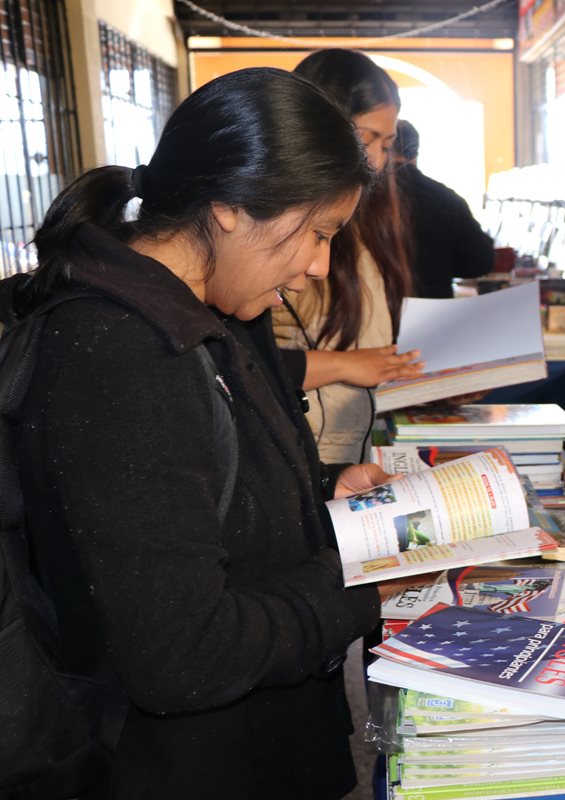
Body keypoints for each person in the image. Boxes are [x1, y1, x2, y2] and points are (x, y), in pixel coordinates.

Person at [12, 67, 406, 799]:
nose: (316, 267)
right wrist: (366, 580)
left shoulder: (215, 309)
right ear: (229, 205)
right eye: (316, 233)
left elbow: (193, 501)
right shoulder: (122, 351)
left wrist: (325, 495)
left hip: (264, 748)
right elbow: (183, 655)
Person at [275, 49, 422, 463]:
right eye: (366, 139)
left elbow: (368, 347)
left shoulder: (363, 223)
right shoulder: (280, 226)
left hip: (346, 448)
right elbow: (242, 364)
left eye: (387, 144)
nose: (375, 161)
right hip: (302, 449)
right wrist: (342, 364)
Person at [393, 120, 495, 298]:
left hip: (378, 312)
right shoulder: (447, 198)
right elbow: (481, 261)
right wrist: (442, 265)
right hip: (436, 311)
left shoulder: (362, 197)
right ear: (416, 152)